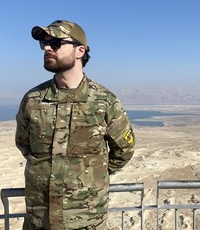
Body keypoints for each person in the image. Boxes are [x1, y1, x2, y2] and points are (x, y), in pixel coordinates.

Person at [15, 19, 135, 230]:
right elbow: (24, 144)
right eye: (45, 44)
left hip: (85, 220)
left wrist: (91, 178)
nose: (48, 48)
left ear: (80, 51)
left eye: (56, 43)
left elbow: (124, 150)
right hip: (39, 220)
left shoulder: (104, 101)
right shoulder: (33, 100)